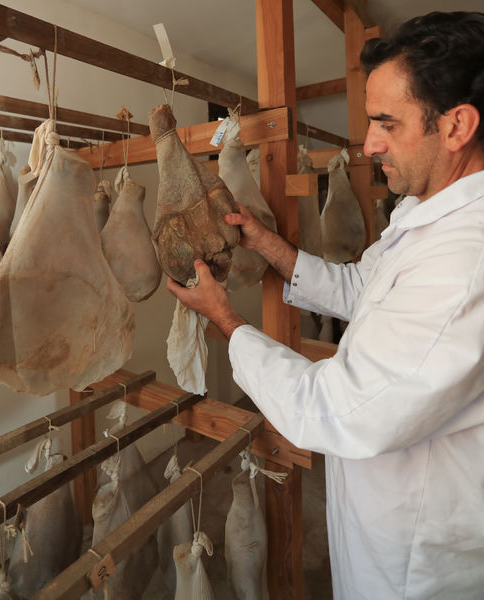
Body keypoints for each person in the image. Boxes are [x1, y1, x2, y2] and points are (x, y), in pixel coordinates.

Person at [168, 11, 484, 600]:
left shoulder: (466, 263)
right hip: (379, 520)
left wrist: (226, 320)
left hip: (415, 564)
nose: (369, 144)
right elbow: (363, 289)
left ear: (457, 125)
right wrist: (268, 244)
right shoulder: (422, 211)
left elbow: (334, 410)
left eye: (386, 123)